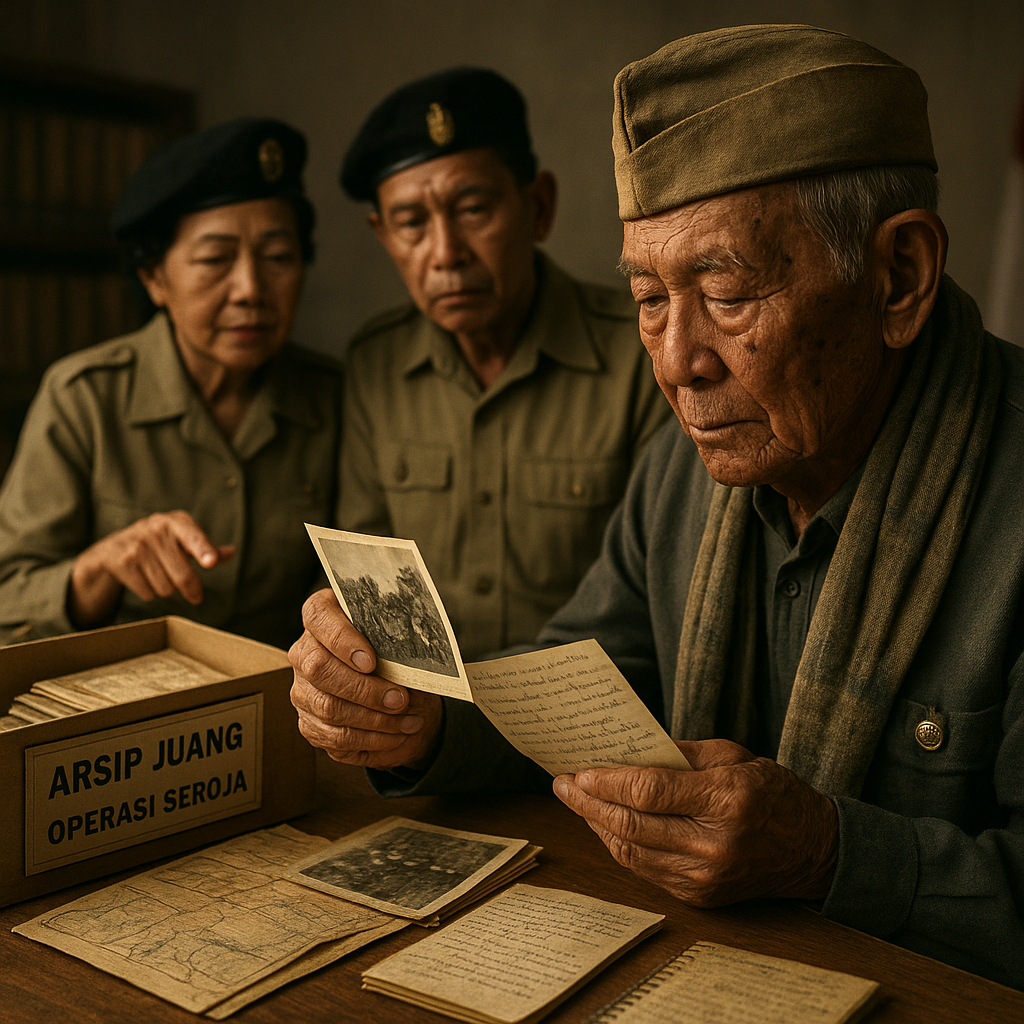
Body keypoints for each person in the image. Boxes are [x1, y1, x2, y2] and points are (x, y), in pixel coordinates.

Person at [289, 26, 1024, 989]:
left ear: (899, 278)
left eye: (724, 292)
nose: (678, 362)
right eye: (646, 297)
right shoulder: (685, 471)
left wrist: (829, 852)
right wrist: (417, 716)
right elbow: (578, 686)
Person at [337, 67, 670, 658]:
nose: (445, 254)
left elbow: (658, 605)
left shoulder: (642, 351)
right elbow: (365, 581)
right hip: (421, 724)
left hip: (594, 723)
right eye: (412, 223)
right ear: (383, 234)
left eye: (472, 209)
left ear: (537, 207)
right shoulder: (376, 365)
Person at [0, 117, 343, 650]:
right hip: (127, 715)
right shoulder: (84, 397)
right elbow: (7, 598)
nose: (250, 289)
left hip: (285, 711)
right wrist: (97, 571)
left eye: (278, 258)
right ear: (154, 277)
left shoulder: (337, 399)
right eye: (214, 259)